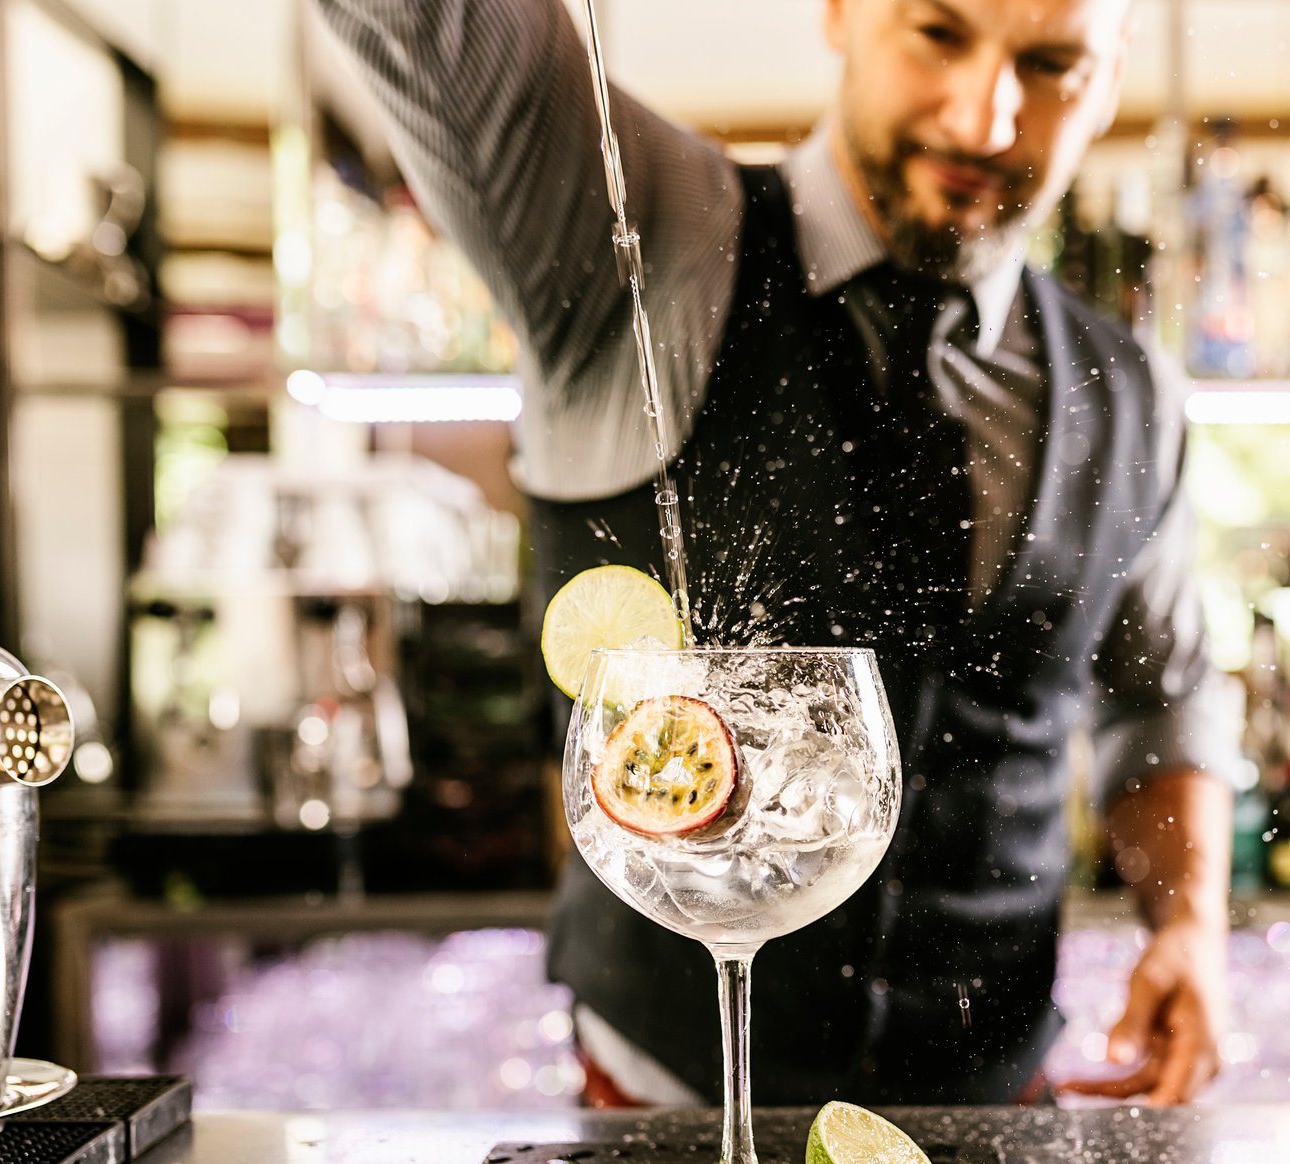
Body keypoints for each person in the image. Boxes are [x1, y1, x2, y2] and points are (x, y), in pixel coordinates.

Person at [318, 0, 1235, 1107]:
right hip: (669, 1133)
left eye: (1049, 64)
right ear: (843, 11)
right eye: (939, 33)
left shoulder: (1131, 395)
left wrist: (1189, 923)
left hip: (998, 1121)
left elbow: (1158, 697)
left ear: (1112, 70)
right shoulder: (632, 238)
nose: (986, 116)